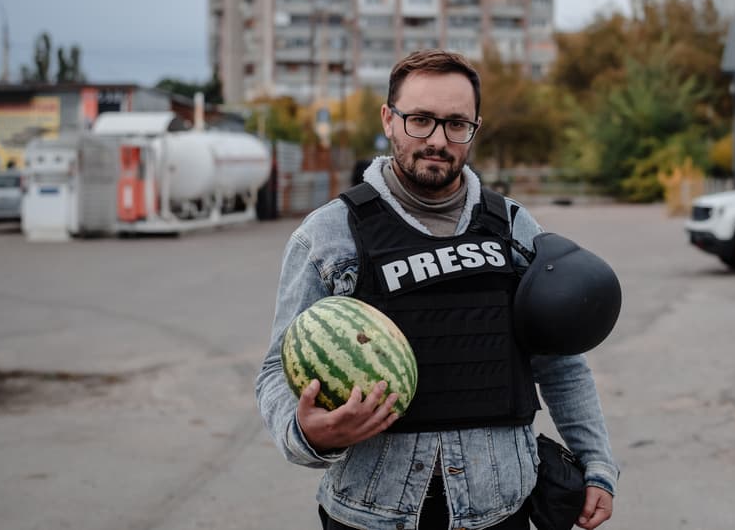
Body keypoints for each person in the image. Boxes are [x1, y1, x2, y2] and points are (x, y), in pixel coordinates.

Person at [256, 49, 618, 530]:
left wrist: (596, 462)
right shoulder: (329, 235)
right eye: (421, 120)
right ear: (389, 119)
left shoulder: (513, 228)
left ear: (475, 127)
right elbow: (276, 370)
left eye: (456, 124)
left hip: (500, 507)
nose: (437, 140)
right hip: (372, 513)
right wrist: (306, 432)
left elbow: (560, 361)